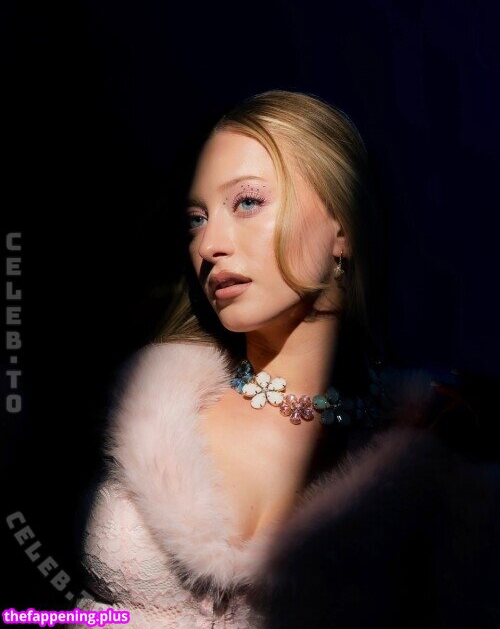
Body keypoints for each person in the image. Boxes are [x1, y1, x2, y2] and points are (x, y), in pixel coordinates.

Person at [68, 90, 500, 628]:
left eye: (247, 202)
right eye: (196, 219)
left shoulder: (431, 453)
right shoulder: (142, 401)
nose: (209, 244)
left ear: (343, 228)